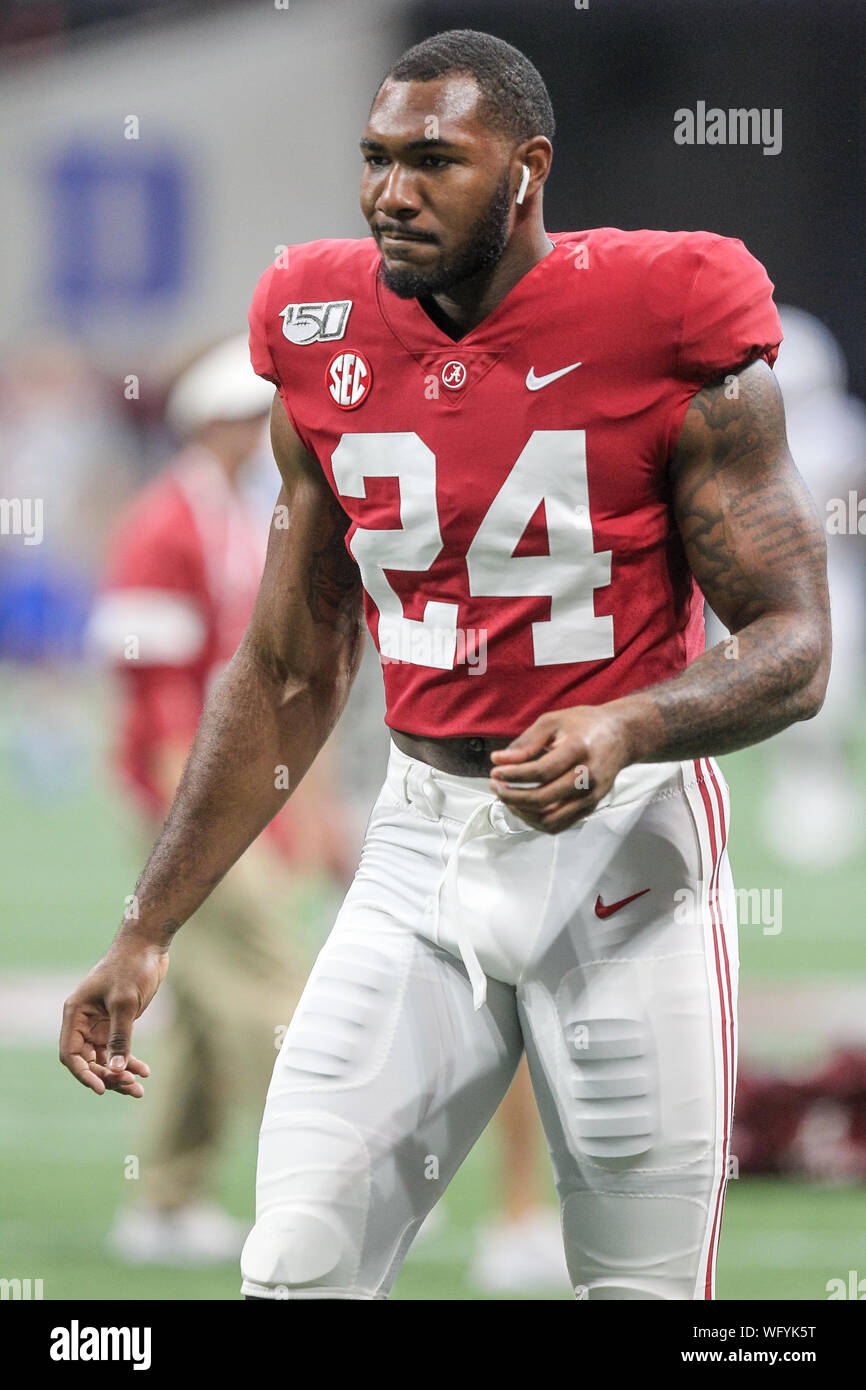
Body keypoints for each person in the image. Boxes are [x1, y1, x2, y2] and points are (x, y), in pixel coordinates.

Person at [60, 29, 830, 1301]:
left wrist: (629, 725)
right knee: (294, 1269)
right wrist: (147, 926)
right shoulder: (317, 328)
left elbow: (793, 641)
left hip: (625, 855)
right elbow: (289, 663)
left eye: (433, 160)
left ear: (525, 171)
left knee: (638, 1295)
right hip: (419, 845)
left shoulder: (670, 310)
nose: (389, 192)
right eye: (373, 160)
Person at [87, 336, 353, 1263]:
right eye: (247, 416)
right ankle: (336, 1191)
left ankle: (161, 1203)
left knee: (202, 1005)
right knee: (276, 985)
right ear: (210, 425)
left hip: (229, 792)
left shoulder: (243, 516)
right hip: (187, 799)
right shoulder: (164, 525)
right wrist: (195, 824)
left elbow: (281, 680)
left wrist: (301, 810)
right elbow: (155, 701)